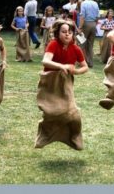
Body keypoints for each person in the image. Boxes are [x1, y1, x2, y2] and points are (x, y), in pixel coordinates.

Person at [35, 19, 88, 150]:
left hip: (66, 83)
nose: (67, 34)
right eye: (64, 32)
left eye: (70, 32)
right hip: (50, 83)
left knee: (73, 113)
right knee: (51, 113)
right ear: (57, 33)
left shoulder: (75, 48)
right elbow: (45, 61)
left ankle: (75, 136)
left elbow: (85, 67)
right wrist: (61, 66)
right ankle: (44, 135)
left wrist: (75, 71)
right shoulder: (53, 44)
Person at [78, 0, 100, 68]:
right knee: (90, 45)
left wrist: (80, 27)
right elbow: (98, 16)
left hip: (86, 24)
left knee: (81, 43)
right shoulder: (95, 3)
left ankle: (81, 63)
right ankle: (90, 63)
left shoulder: (83, 3)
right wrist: (95, 23)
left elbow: (82, 16)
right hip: (93, 24)